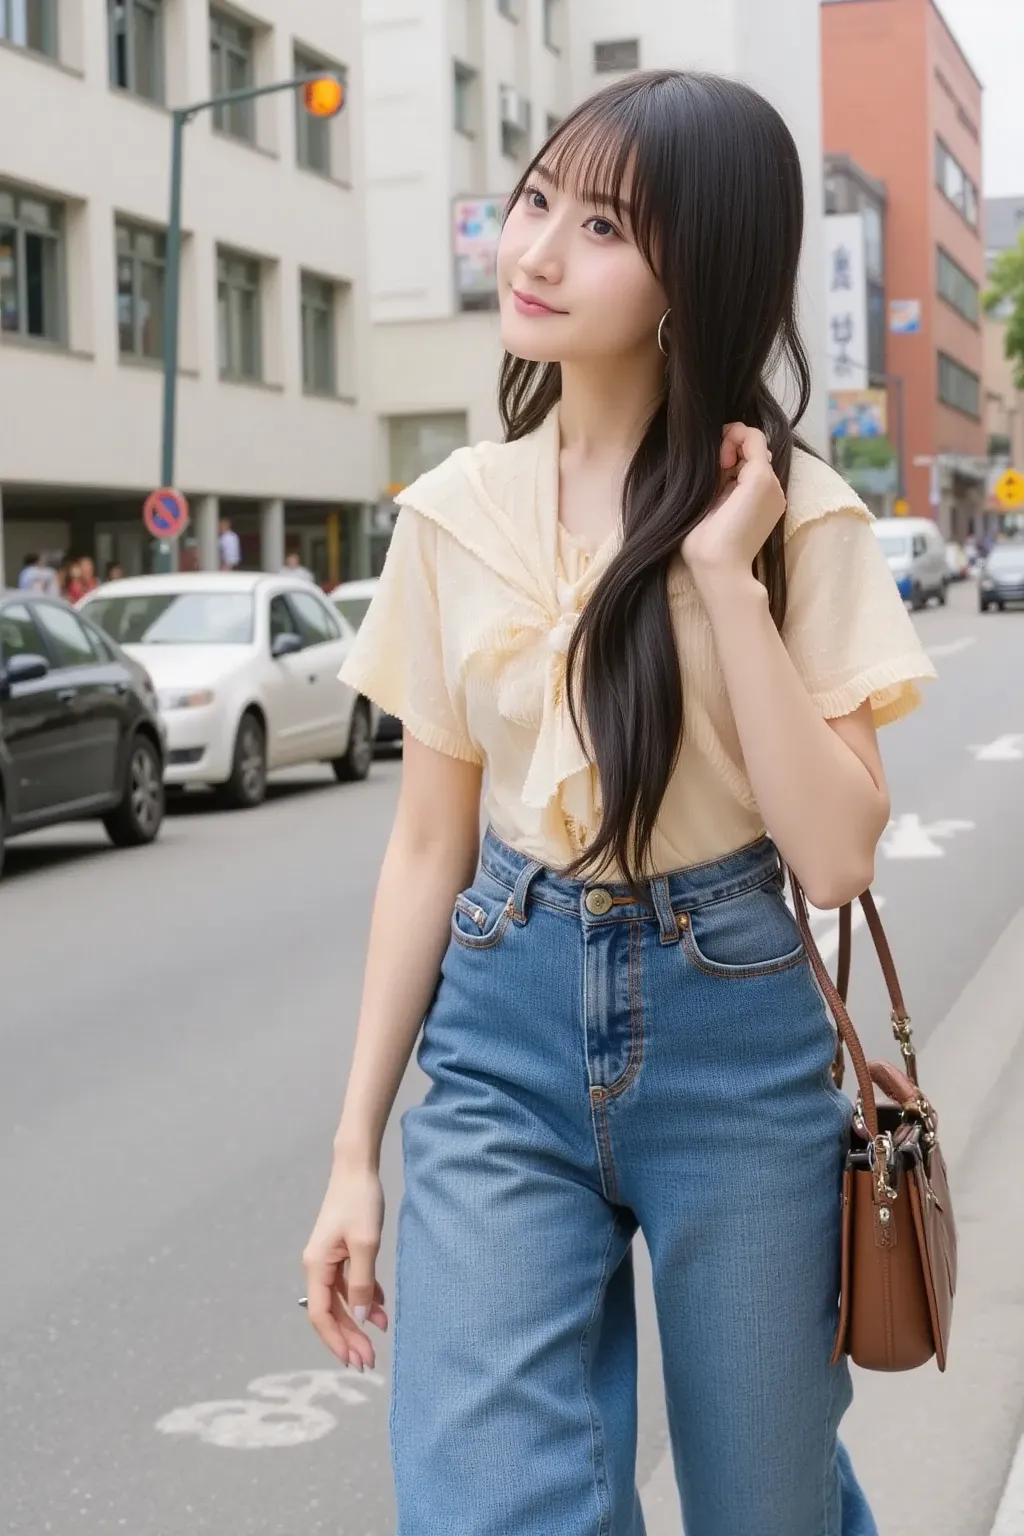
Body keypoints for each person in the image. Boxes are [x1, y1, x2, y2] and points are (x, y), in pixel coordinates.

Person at [302, 72, 936, 1536]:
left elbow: (836, 858)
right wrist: (352, 1150)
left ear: (691, 274)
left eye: (601, 227)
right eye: (538, 202)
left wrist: (725, 577)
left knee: (761, 1508)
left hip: (734, 1034)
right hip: (501, 1035)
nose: (535, 251)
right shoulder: (453, 514)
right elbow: (425, 848)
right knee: (488, 1505)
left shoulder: (797, 524)